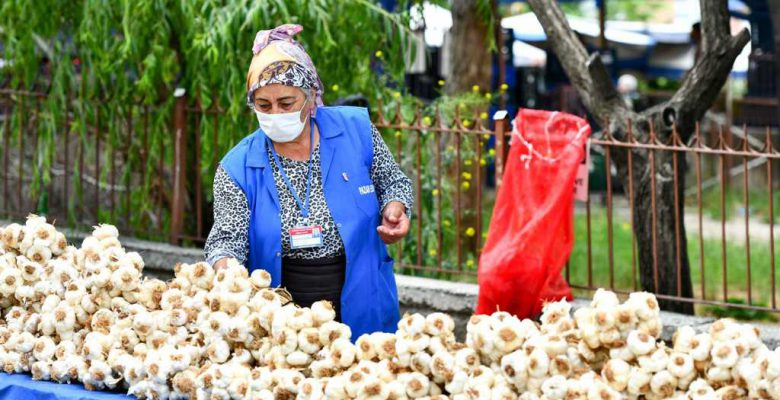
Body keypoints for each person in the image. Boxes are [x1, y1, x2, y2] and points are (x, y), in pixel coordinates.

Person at [204, 24, 413, 337]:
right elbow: (226, 239)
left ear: (310, 96)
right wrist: (226, 270)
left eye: (286, 103)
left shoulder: (355, 131)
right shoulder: (238, 167)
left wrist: (396, 209)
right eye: (264, 105)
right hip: (282, 313)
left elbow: (393, 182)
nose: (275, 113)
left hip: (361, 296)